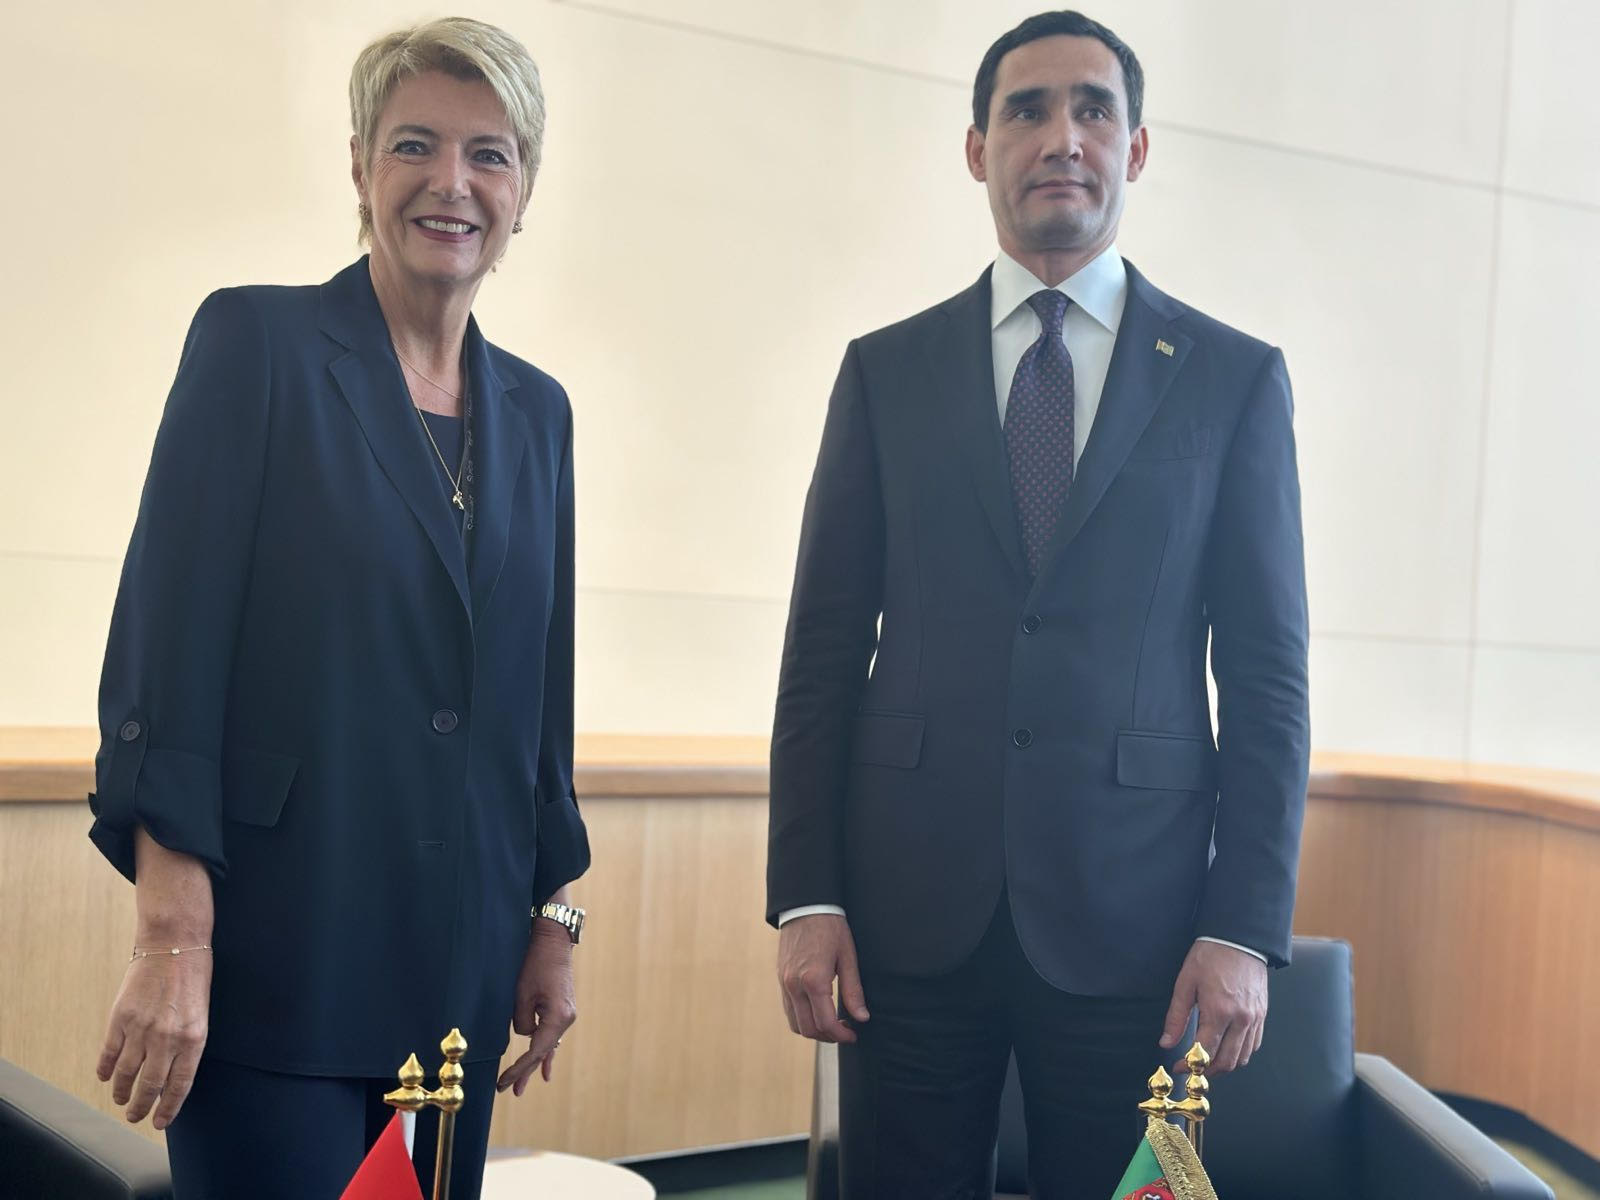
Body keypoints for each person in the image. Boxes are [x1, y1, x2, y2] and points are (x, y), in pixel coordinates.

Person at [768, 10, 1309, 1197]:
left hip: (1137, 924)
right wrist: (806, 894)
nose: (1061, 136)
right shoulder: (884, 371)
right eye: (1026, 110)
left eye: (1092, 109)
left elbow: (1268, 681)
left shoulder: (1232, 382)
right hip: (907, 918)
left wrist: (1241, 925)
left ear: (1136, 148)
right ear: (978, 149)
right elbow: (820, 654)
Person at [86, 18, 590, 1199]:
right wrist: (173, 938)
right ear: (360, 165)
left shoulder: (540, 413)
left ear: (524, 190)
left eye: (489, 154)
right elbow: (167, 660)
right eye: (415, 144)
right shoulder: (254, 344)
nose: (451, 181)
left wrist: (553, 914)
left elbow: (539, 693)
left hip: (458, 974)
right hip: (278, 963)